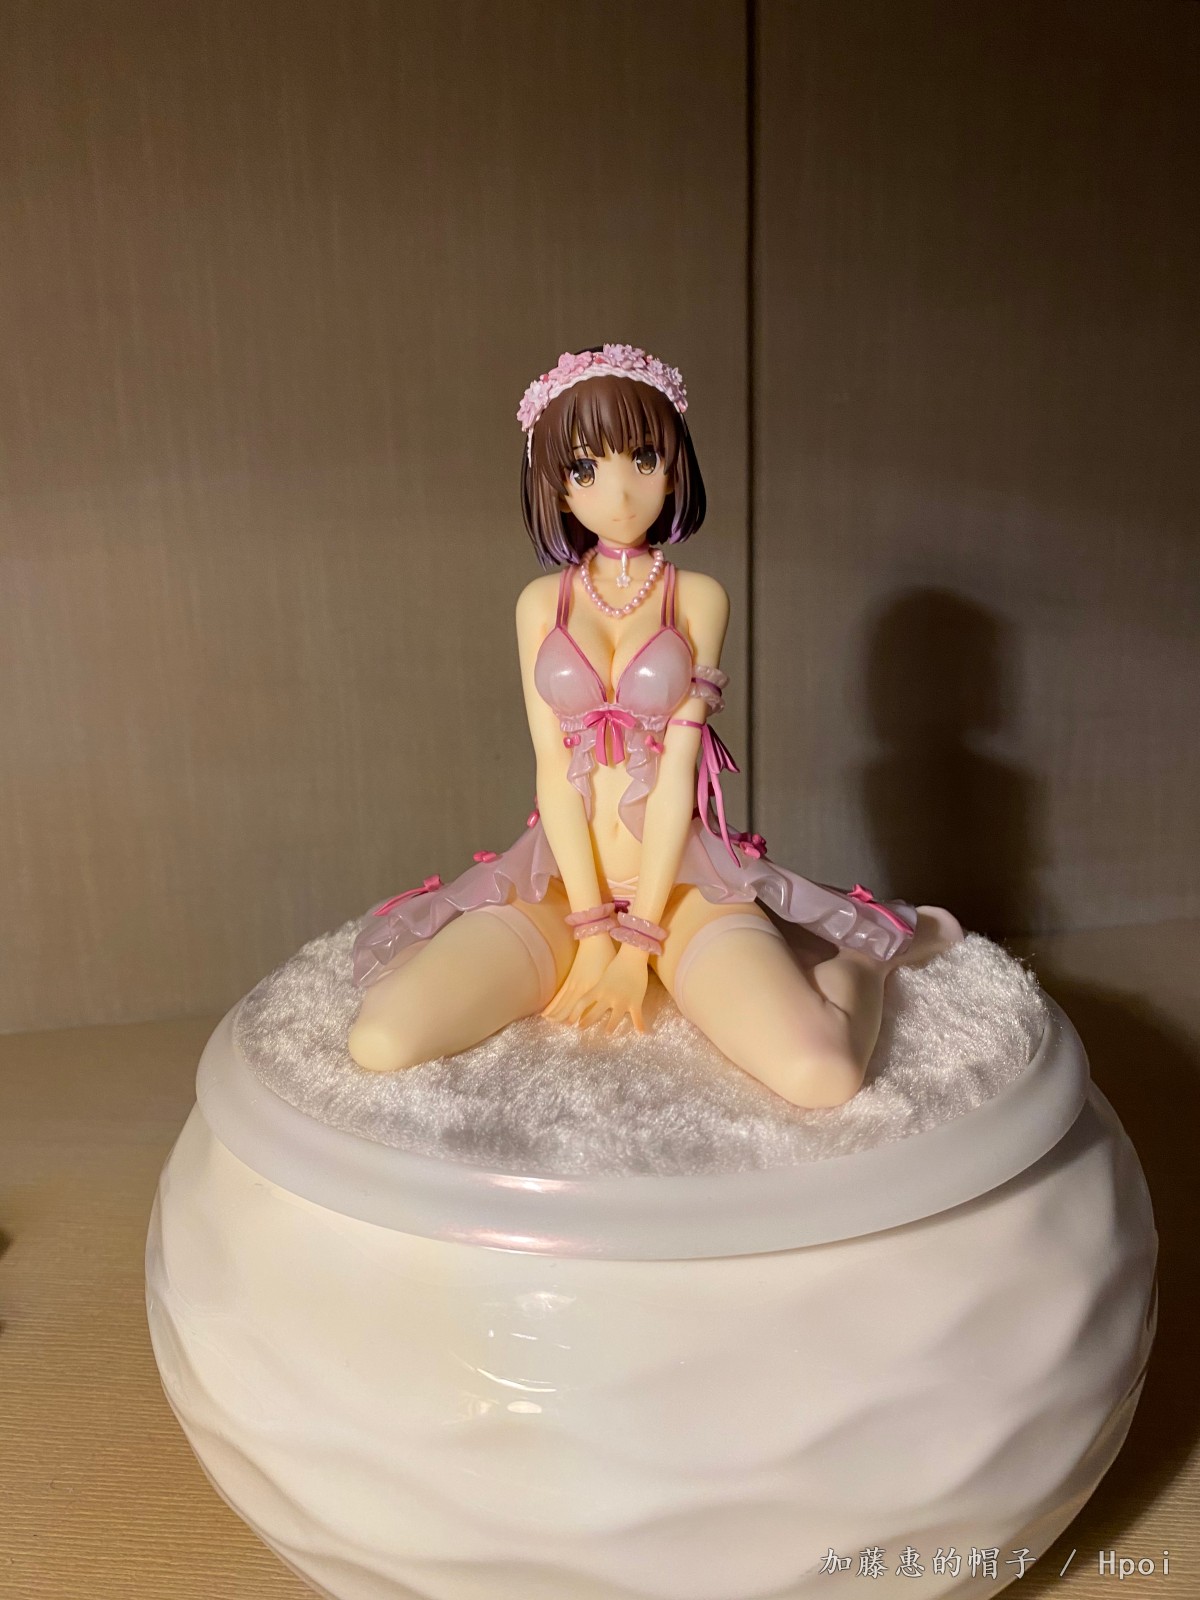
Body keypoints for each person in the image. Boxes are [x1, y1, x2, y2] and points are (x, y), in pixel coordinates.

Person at [348, 344, 962, 1106]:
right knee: (381, 1039)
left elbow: (678, 777)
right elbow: (552, 771)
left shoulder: (696, 598)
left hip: (679, 887)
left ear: (674, 465)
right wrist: (592, 930)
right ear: (555, 483)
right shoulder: (540, 605)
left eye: (642, 458)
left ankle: (864, 961)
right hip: (561, 885)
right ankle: (580, 941)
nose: (619, 492)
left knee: (823, 1075)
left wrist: (637, 942)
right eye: (585, 468)